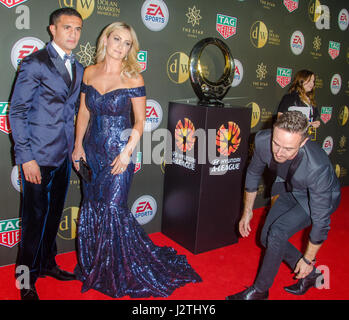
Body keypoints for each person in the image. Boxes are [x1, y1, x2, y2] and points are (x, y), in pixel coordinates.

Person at [72, 22, 201, 298]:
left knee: (113, 209)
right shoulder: (89, 72)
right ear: (105, 39)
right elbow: (83, 112)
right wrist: (77, 146)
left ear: (132, 48)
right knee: (93, 205)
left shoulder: (134, 78)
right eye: (116, 39)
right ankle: (96, 266)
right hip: (92, 151)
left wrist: (127, 152)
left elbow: (141, 122)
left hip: (120, 152)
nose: (120, 46)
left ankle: (117, 269)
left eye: (127, 43)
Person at [9, 8, 84, 300]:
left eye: (78, 29)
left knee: (53, 215)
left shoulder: (76, 66)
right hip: (37, 157)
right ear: (52, 29)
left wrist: (75, 149)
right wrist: (25, 157)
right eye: (67, 28)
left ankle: (47, 263)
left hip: (63, 156)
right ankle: (24, 278)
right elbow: (17, 112)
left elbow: (71, 112)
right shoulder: (35, 63)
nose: (74, 34)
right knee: (33, 220)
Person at [226, 111, 341, 300]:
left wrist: (307, 259)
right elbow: (253, 174)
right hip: (289, 185)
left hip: (316, 197)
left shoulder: (317, 168)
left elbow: (321, 222)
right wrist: (246, 212)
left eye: (288, 149)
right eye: (276, 143)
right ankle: (312, 276)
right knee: (265, 238)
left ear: (303, 142)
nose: (279, 153)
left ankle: (260, 291)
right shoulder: (263, 140)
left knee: (278, 231)